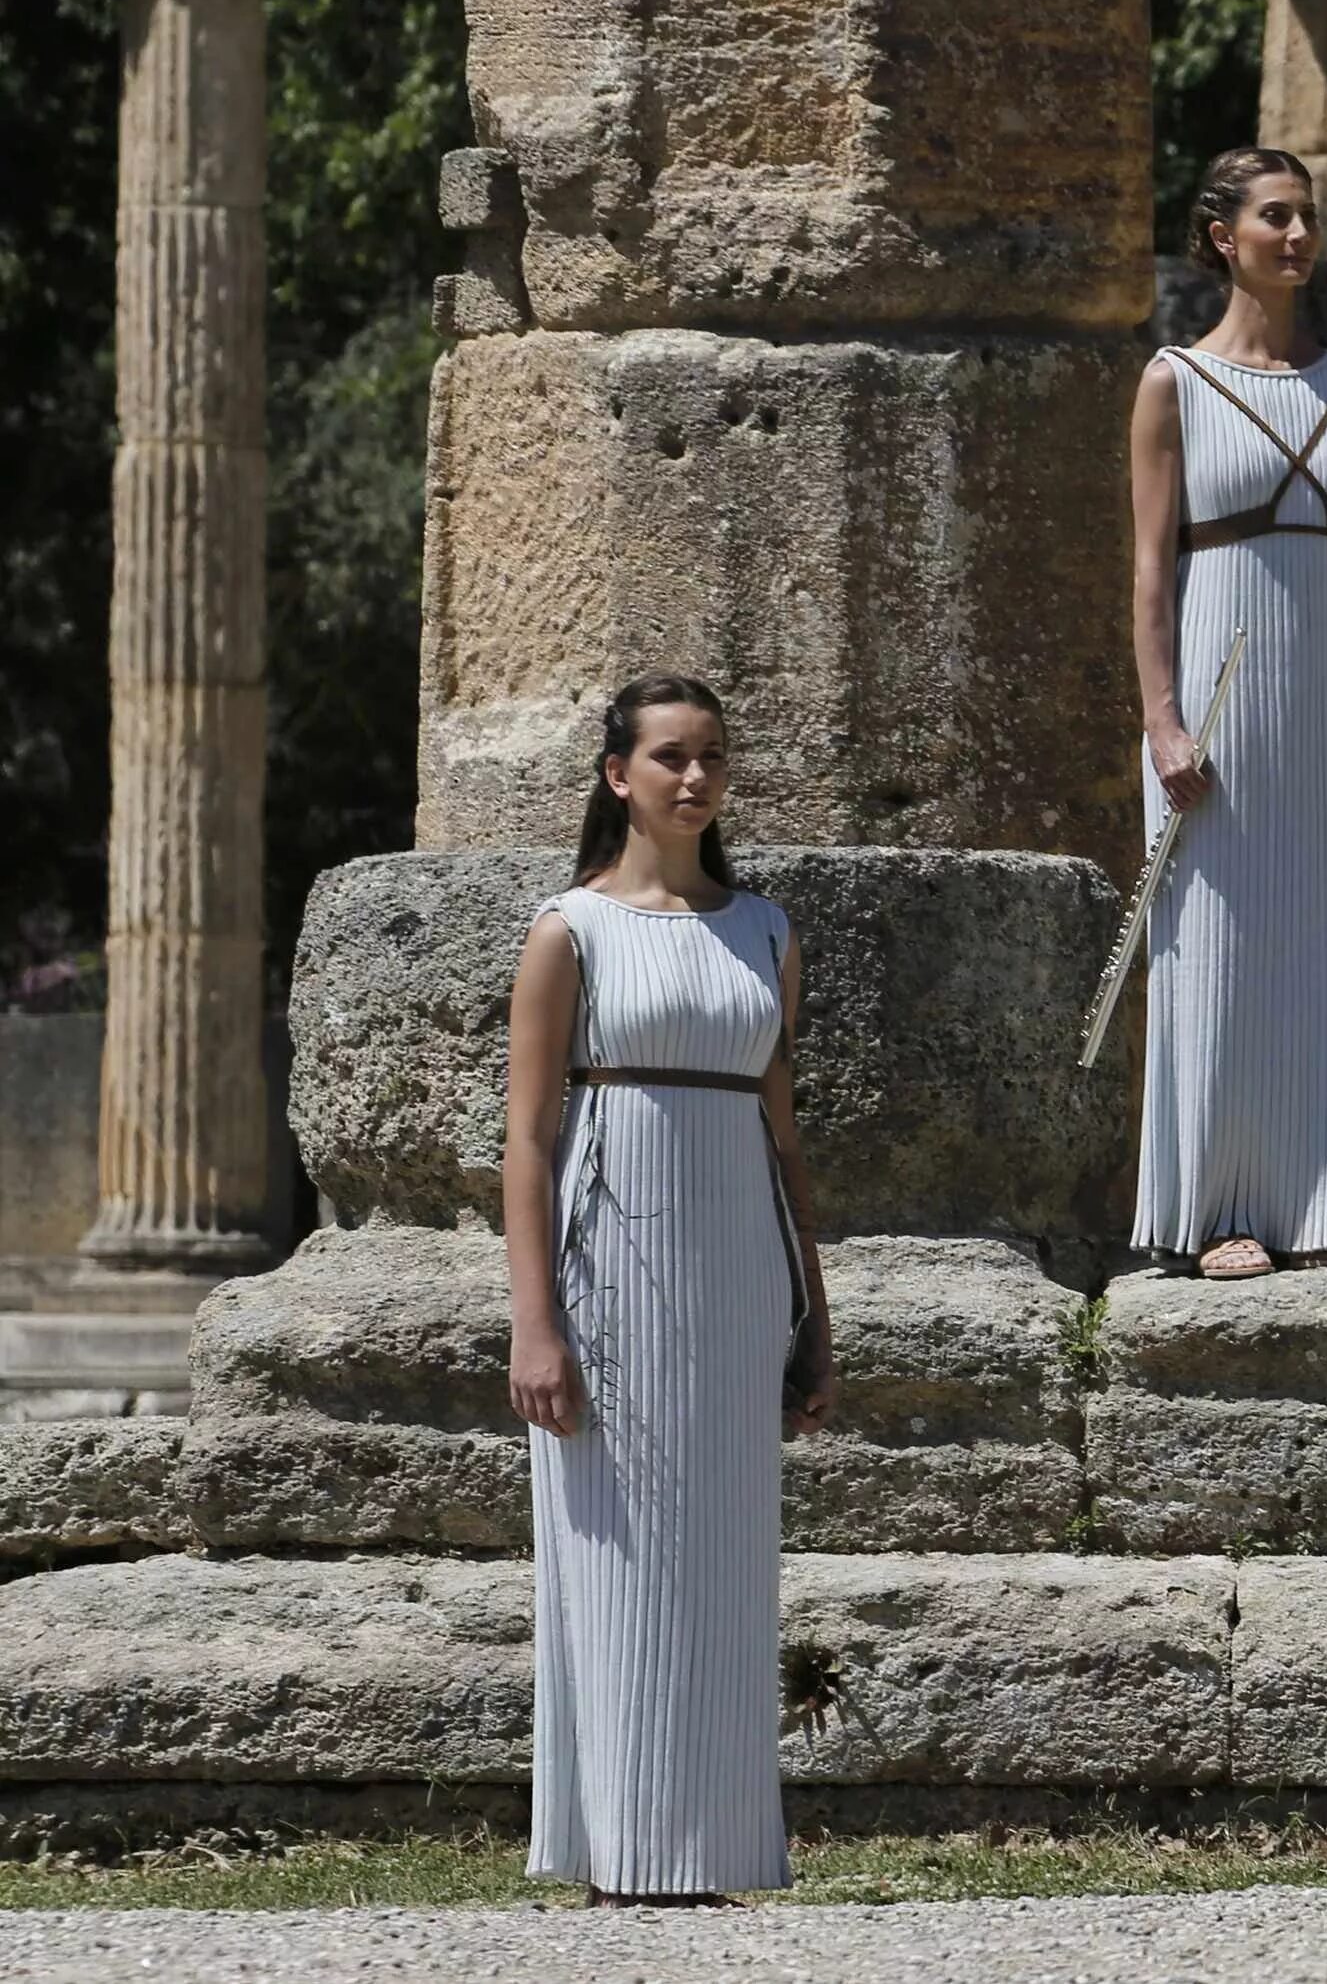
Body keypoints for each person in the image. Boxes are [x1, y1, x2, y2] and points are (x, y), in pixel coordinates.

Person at [502, 673, 835, 1905]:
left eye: (710, 759)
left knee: (728, 1552)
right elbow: (528, 1141)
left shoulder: (765, 932)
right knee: (618, 1545)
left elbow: (784, 1137)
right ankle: (619, 1850)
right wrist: (535, 1325)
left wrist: (816, 1313)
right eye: (668, 759)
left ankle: (714, 1851)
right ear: (617, 777)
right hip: (609, 1271)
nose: (693, 780)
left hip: (737, 1267)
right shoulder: (567, 931)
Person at [1130, 147, 1327, 1279]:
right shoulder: (1172, 383)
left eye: (1309, 219)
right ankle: (1219, 1211)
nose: (1298, 237)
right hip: (1215, 686)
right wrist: (1160, 719)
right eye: (1276, 217)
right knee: (1220, 938)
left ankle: (1320, 1201)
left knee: (1319, 931)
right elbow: (1150, 571)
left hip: (1324, 685)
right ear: (1221, 237)